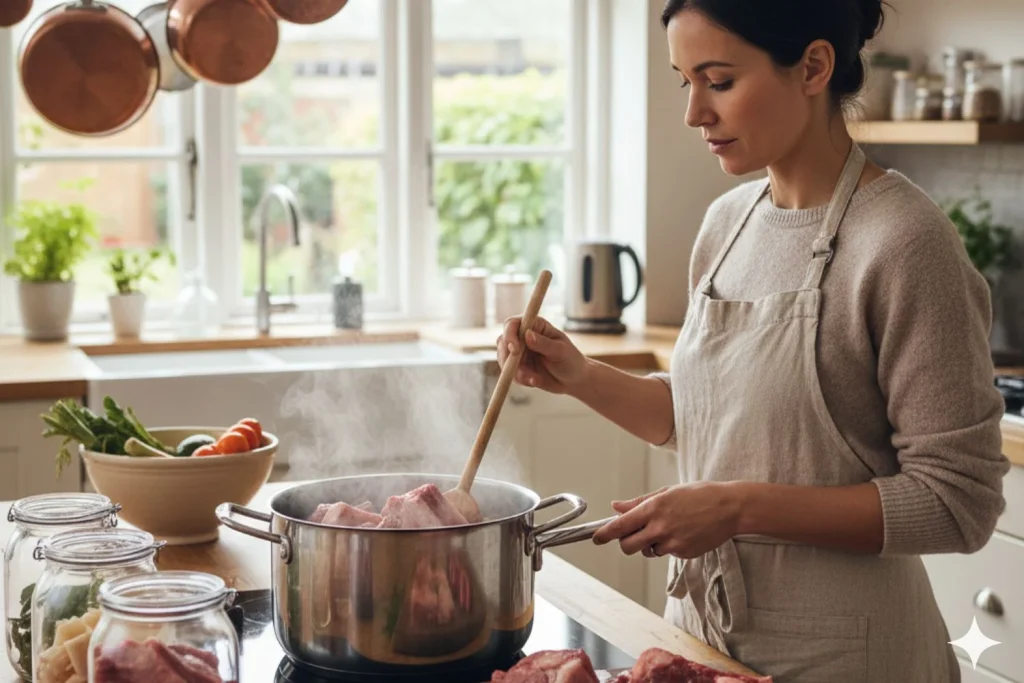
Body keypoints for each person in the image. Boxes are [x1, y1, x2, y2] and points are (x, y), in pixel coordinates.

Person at [495, 0, 1011, 680]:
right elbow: (710, 415)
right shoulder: (727, 223)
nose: (694, 113)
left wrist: (735, 508)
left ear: (813, 67)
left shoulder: (907, 244)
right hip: (701, 648)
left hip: (847, 657)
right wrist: (579, 374)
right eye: (686, 81)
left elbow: (958, 503)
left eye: (720, 80)